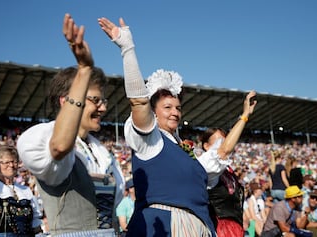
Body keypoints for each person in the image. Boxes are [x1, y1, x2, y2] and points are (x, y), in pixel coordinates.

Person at [98, 17, 216, 236]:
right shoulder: (150, 139)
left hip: (198, 226)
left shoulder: (182, 148)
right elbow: (139, 102)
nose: (175, 112)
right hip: (165, 225)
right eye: (167, 107)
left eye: (178, 108)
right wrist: (127, 49)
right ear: (153, 112)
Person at [17, 13, 124, 236]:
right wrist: (84, 69)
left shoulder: (101, 151)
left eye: (103, 101)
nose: (103, 108)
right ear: (66, 101)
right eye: (95, 100)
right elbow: (59, 148)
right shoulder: (41, 137)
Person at [196, 91, 257, 237]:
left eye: (226, 140)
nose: (225, 145)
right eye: (218, 142)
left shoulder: (225, 169)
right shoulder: (206, 165)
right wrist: (244, 115)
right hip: (219, 228)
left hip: (233, 228)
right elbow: (224, 151)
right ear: (206, 146)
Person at [0, 145, 43, 236]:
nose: (11, 165)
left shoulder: (25, 190)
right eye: (6, 162)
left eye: (14, 162)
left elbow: (36, 226)